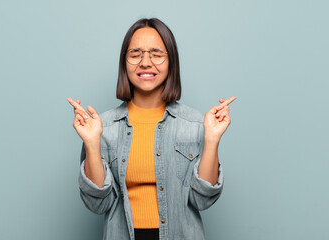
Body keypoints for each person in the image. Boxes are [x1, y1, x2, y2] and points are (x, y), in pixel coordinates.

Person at [67, 18, 236, 240]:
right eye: (135, 54)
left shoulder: (196, 124)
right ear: (124, 62)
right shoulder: (103, 127)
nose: (145, 63)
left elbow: (202, 200)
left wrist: (212, 139)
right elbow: (98, 203)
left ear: (171, 62)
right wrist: (91, 143)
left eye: (156, 54)